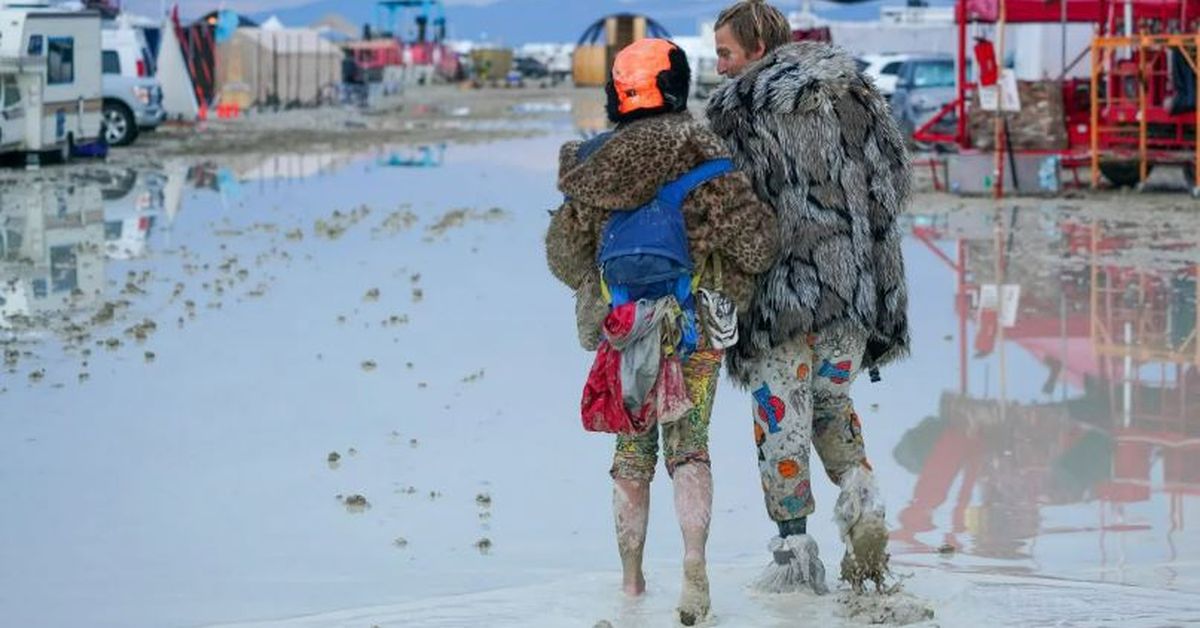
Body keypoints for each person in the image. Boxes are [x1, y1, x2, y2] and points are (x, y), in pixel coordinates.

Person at [545, 38, 778, 625]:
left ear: (616, 93)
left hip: (621, 330)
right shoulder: (704, 151)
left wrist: (607, 293)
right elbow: (756, 244)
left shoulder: (592, 162)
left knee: (630, 454)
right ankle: (695, 568)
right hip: (694, 327)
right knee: (690, 447)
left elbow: (563, 256)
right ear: (675, 86)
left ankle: (630, 587)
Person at [706, 0, 913, 593]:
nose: (720, 67)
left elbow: (728, 215)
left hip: (781, 300)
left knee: (781, 424)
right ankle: (863, 505)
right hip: (853, 294)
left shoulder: (740, 110)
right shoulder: (859, 95)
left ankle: (795, 553)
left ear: (758, 50)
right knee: (832, 408)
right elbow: (891, 188)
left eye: (725, 53)